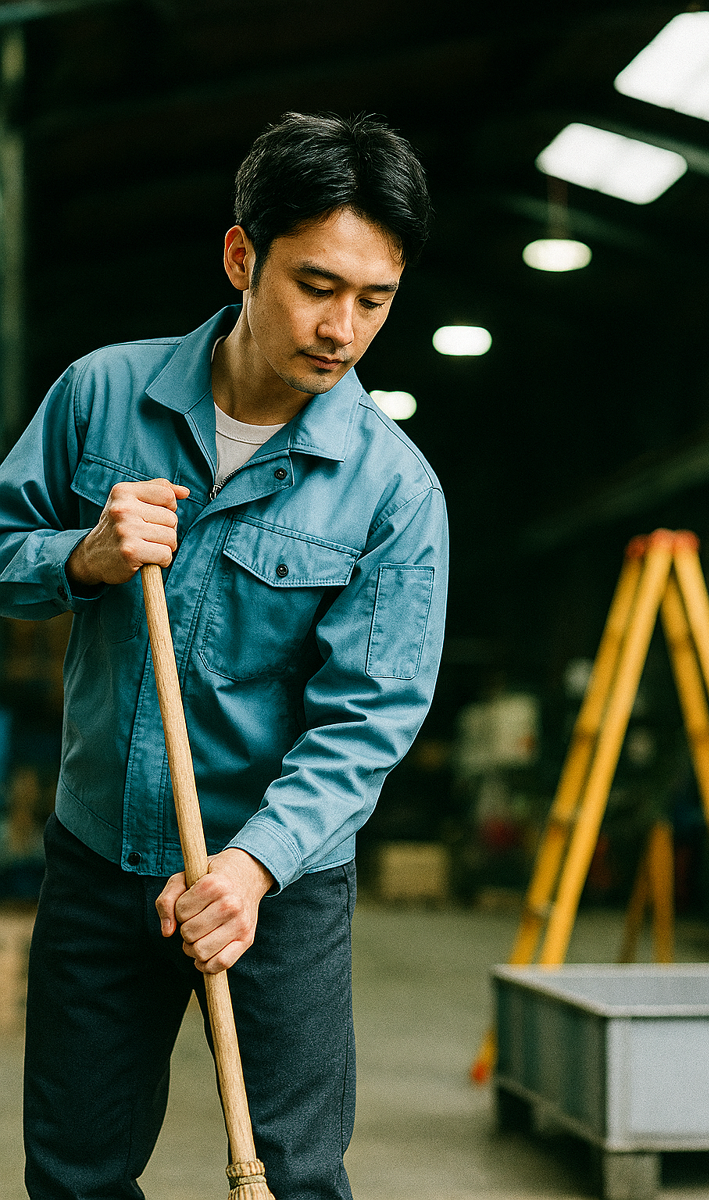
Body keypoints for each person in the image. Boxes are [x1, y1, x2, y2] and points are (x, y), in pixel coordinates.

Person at [0, 111, 447, 1200]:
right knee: (73, 1174)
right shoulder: (101, 395)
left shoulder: (392, 490)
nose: (341, 328)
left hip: (277, 882)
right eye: (315, 284)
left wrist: (250, 869)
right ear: (242, 255)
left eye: (372, 300)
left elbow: (367, 720)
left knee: (294, 1173)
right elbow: (4, 555)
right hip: (101, 859)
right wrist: (84, 555)